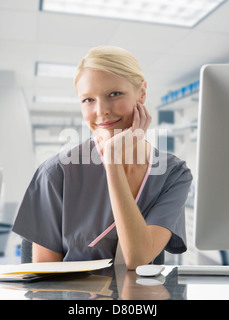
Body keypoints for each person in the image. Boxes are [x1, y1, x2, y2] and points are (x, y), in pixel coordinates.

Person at [12, 46, 192, 270]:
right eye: (88, 100)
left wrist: (113, 162)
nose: (101, 111)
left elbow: (137, 259)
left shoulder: (172, 174)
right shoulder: (56, 172)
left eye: (114, 94)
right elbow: (44, 284)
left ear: (142, 93)